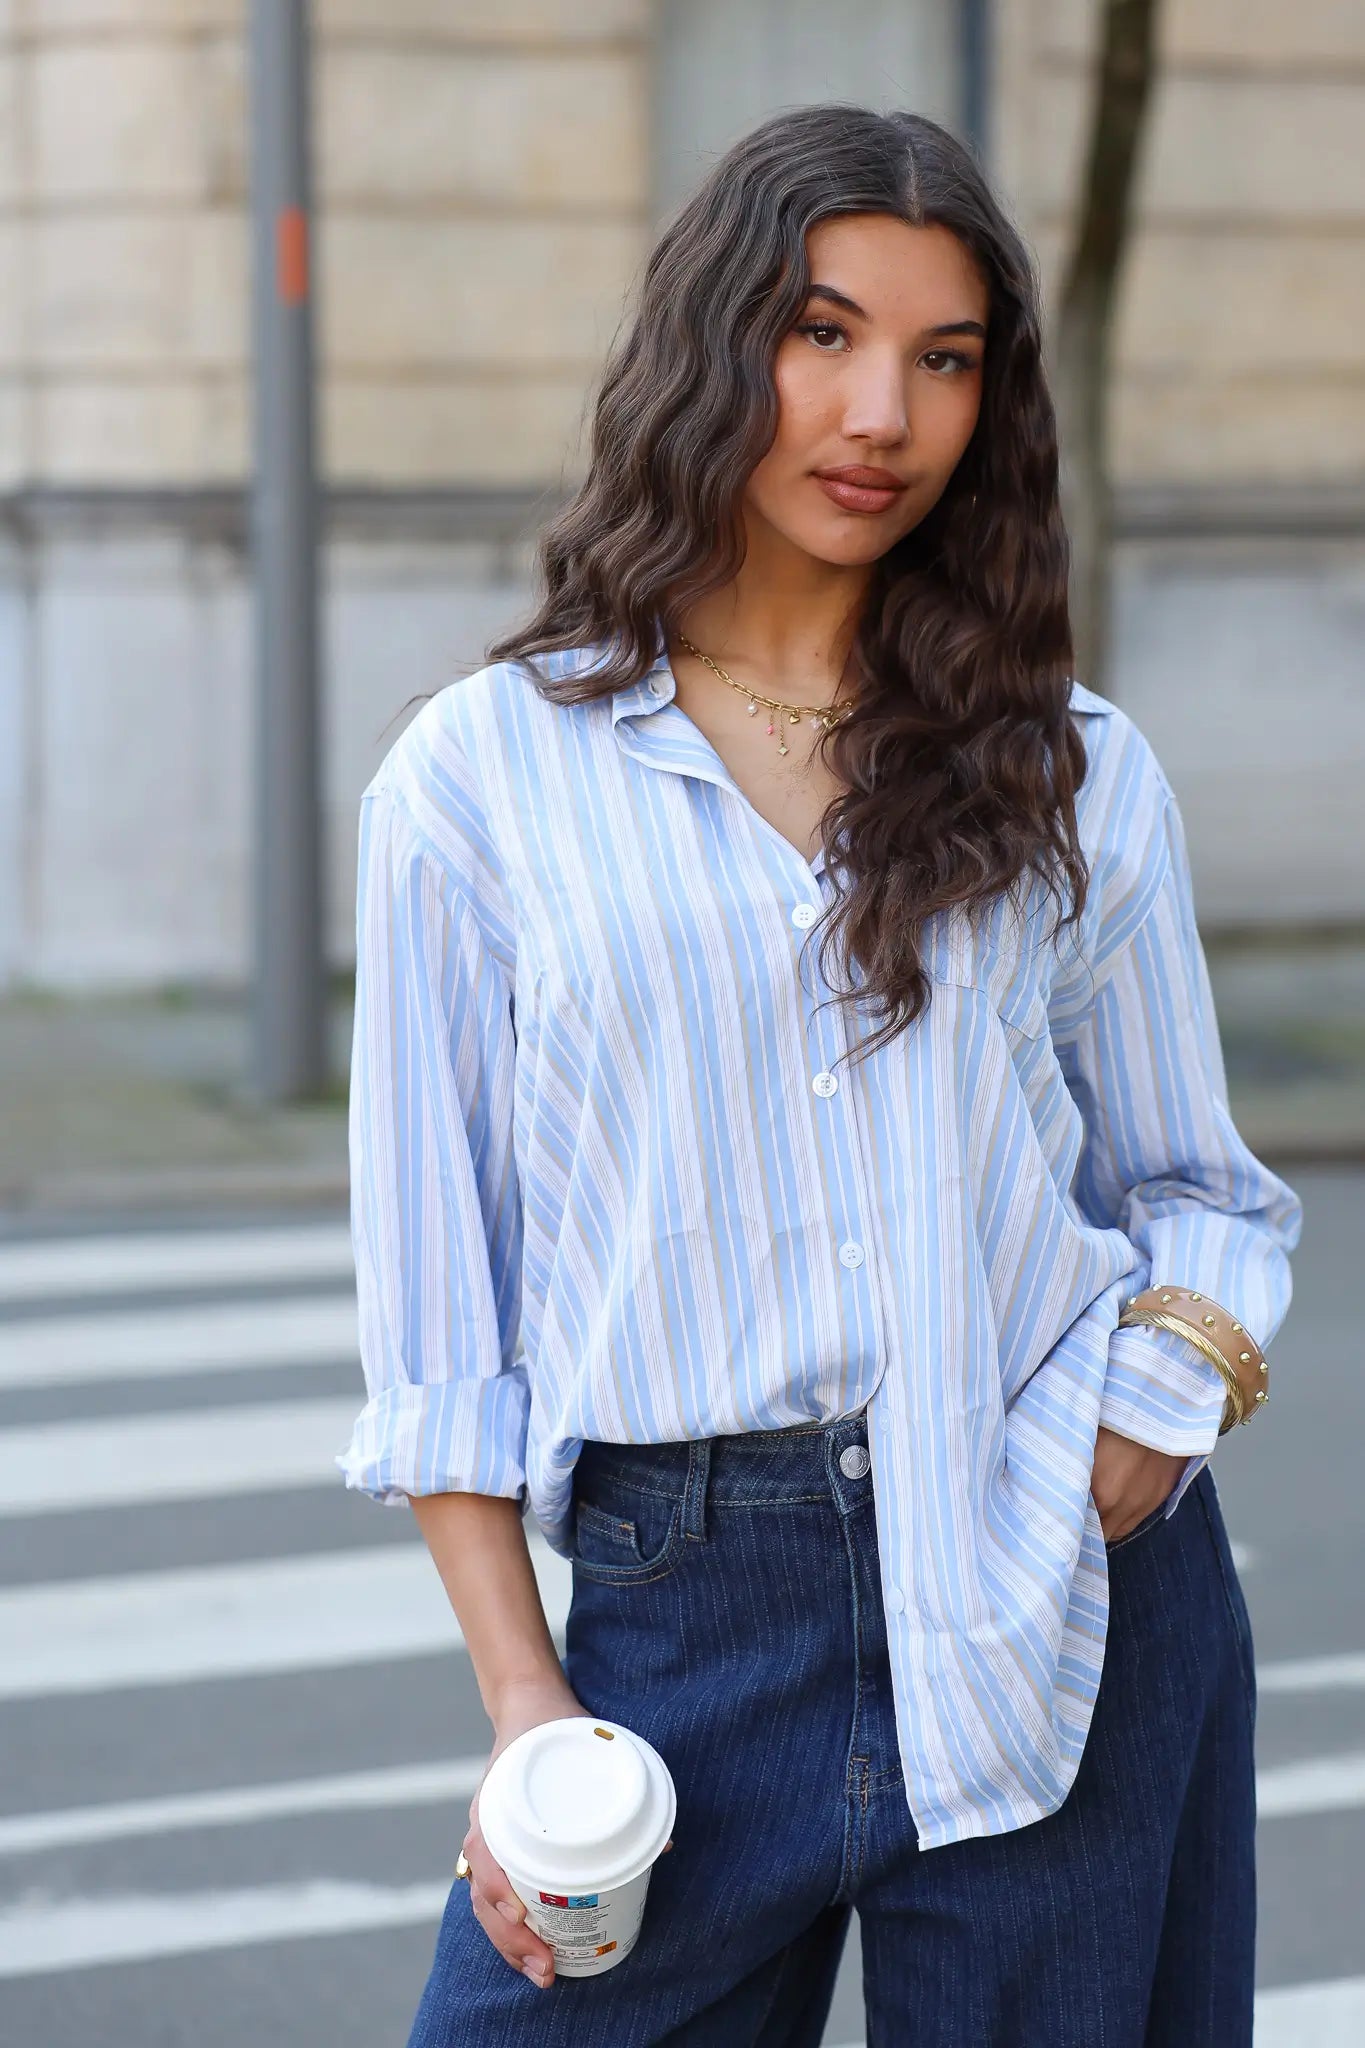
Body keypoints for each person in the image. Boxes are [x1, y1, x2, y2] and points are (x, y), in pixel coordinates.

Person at [337, 104, 1302, 2047]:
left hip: (1060, 1584)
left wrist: (1156, 1397)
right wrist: (529, 1709)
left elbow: (1199, 1188)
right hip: (687, 1620)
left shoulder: (1070, 766)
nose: (881, 412)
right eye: (819, 331)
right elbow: (443, 1318)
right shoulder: (481, 777)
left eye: (942, 360)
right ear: (712, 345)